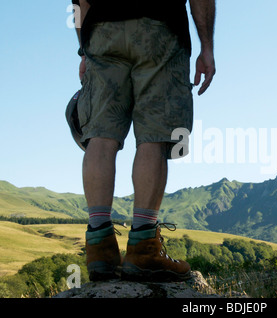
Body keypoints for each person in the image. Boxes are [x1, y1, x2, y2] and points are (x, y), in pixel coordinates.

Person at [71, 0, 216, 282]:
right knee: (154, 137)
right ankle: (143, 248)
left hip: (102, 32)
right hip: (160, 27)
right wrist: (206, 47)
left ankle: (99, 248)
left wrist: (84, 51)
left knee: (100, 136)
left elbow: (80, 1)